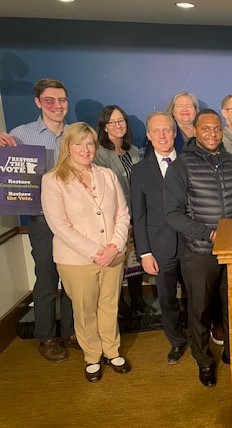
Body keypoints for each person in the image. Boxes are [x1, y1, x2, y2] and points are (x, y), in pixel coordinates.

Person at [164, 109, 232, 387]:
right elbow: (173, 213)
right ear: (194, 130)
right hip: (199, 253)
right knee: (200, 309)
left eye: (217, 129)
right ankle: (204, 359)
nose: (212, 134)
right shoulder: (181, 166)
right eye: (205, 129)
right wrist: (209, 234)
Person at [41, 122, 131, 382]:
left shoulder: (107, 175)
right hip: (76, 260)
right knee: (84, 310)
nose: (85, 149)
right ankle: (92, 355)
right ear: (67, 147)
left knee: (109, 305)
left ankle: (111, 351)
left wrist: (114, 246)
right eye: (78, 143)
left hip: (113, 255)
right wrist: (96, 252)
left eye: (89, 143)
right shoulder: (53, 179)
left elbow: (122, 213)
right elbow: (59, 225)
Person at [0, 78, 74, 361]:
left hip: (73, 221)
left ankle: (70, 330)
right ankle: (47, 337)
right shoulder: (20, 136)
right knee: (46, 278)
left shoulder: (75, 134)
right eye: (49, 101)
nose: (57, 106)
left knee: (71, 279)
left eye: (62, 100)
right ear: (38, 102)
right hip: (42, 221)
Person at [130, 112, 189, 364]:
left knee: (197, 296)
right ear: (149, 135)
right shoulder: (139, 171)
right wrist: (144, 252)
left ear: (175, 134)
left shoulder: (189, 163)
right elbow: (139, 215)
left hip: (191, 245)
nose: (163, 136)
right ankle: (176, 341)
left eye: (167, 130)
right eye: (157, 131)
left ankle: (200, 337)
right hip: (159, 247)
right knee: (167, 299)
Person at [94, 105, 155, 318]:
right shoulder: (99, 154)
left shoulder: (133, 151)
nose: (118, 126)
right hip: (115, 217)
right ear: (104, 126)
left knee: (136, 260)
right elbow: (102, 190)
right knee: (118, 263)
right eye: (112, 122)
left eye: (121, 121)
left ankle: (138, 301)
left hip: (136, 214)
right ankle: (119, 306)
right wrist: (121, 219)